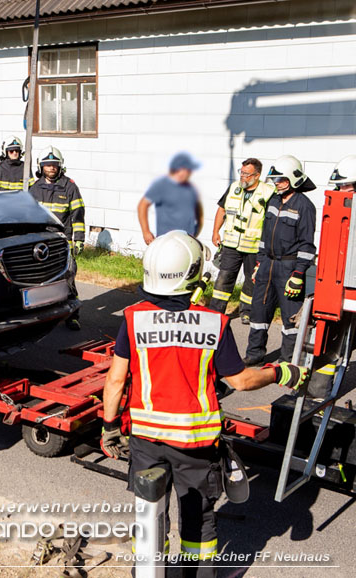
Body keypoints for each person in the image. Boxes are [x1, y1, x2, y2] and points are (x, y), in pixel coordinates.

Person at [101, 230, 309, 578]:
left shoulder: (133, 319)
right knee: (198, 523)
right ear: (194, 274)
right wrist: (280, 372)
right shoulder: (213, 323)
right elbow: (240, 381)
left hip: (146, 443)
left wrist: (109, 427)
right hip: (195, 446)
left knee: (148, 516)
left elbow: (115, 380)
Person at [244, 155, 316, 365]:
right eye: (275, 180)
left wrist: (299, 273)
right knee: (259, 311)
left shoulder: (304, 206)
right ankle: (254, 356)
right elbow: (265, 235)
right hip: (267, 263)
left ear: (294, 179)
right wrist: (259, 263)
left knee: (290, 318)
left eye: (281, 180)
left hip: (289, 267)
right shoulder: (274, 199)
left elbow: (307, 244)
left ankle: (287, 361)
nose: (277, 184)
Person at [209, 158, 275, 324]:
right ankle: (216, 312)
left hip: (253, 247)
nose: (242, 177)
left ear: (257, 175)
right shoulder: (233, 188)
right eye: (242, 172)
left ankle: (246, 312)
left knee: (251, 281)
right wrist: (215, 231)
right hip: (231, 245)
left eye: (247, 174)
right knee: (224, 278)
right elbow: (222, 208)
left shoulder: (268, 192)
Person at [29, 146, 85, 331]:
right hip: (40, 245)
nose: (51, 168)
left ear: (60, 166)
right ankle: (43, 316)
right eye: (47, 165)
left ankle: (72, 316)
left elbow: (77, 215)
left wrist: (79, 238)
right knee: (40, 282)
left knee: (68, 280)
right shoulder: (34, 188)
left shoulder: (69, 186)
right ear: (41, 166)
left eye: (54, 165)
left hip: (62, 243)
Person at [138, 152, 202, 244]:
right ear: (180, 169)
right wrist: (146, 232)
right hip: (166, 241)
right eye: (188, 170)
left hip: (187, 241)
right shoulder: (161, 185)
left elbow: (198, 213)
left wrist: (196, 231)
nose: (190, 173)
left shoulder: (190, 189)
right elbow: (142, 205)